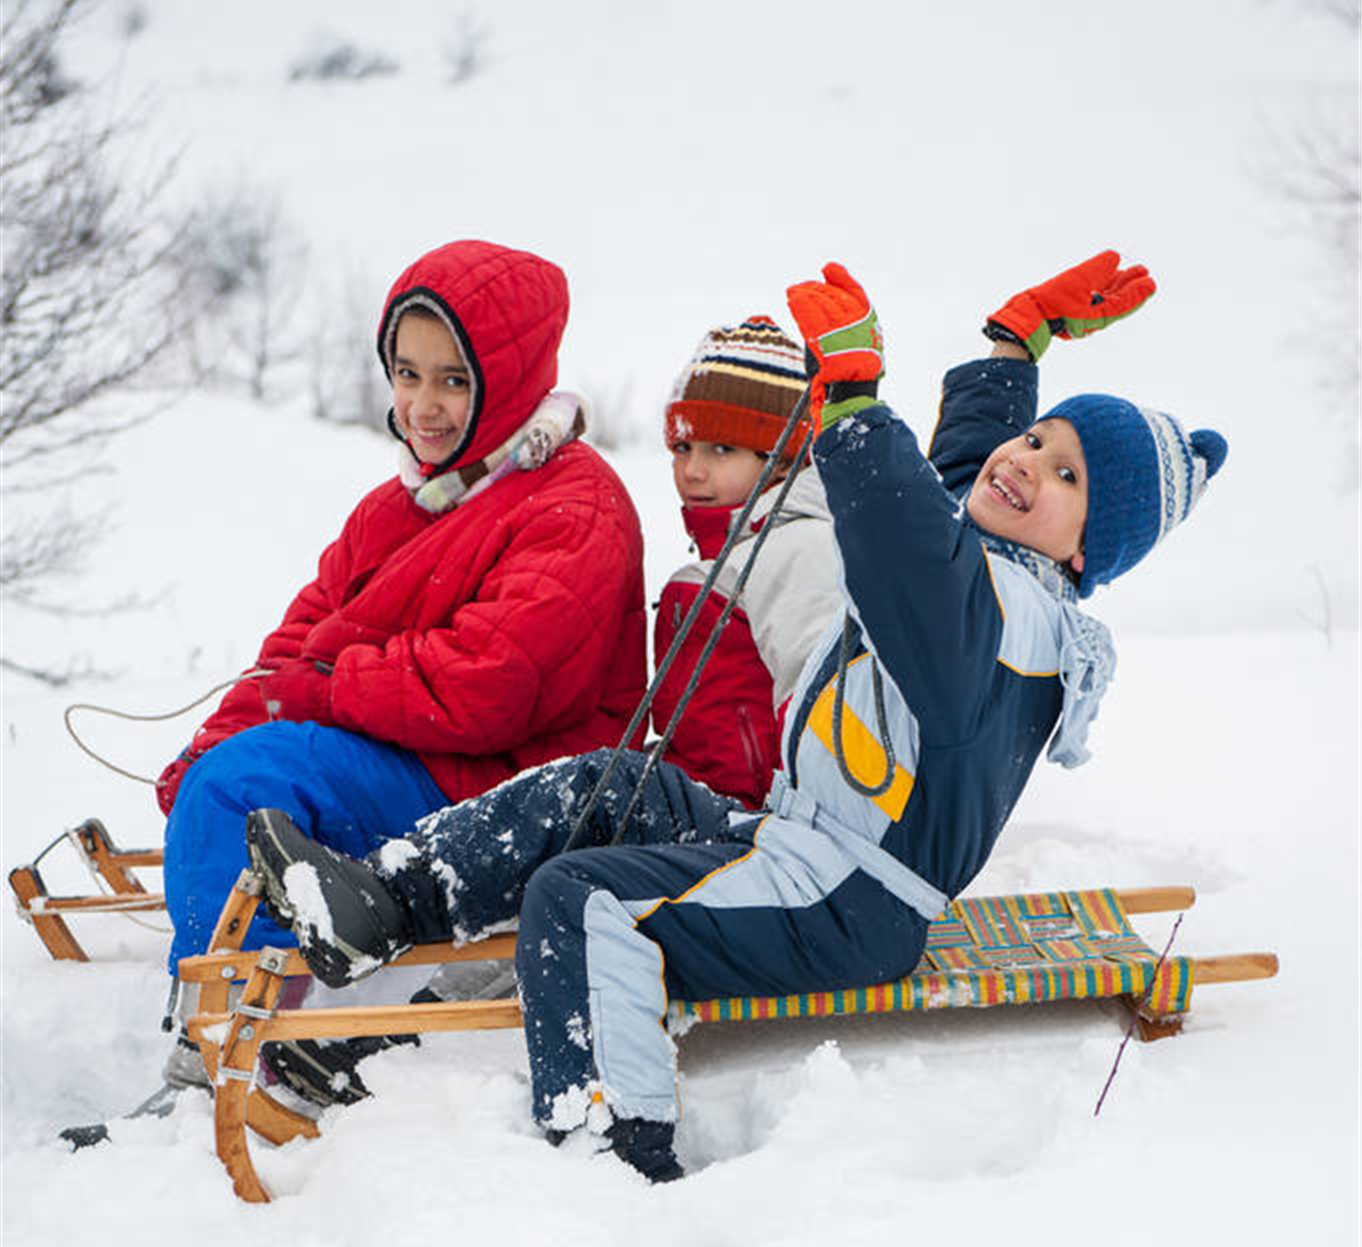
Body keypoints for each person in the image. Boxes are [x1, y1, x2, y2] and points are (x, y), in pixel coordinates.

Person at [242, 251, 1227, 1184]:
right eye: (1038, 438)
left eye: (1067, 478)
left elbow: (905, 540)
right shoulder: (996, 574)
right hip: (805, 849)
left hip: (846, 897)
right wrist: (1013, 344)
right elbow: (957, 487)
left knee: (583, 902)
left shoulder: (1011, 622)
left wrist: (850, 401)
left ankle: (610, 1142)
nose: (1026, 464)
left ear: (1089, 546)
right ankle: (379, 901)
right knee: (611, 787)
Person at [156, 237, 646, 976]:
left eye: (453, 380)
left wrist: (319, 693)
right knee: (223, 774)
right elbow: (298, 644)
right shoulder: (396, 509)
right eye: (407, 374)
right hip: (417, 758)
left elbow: (494, 682)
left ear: (510, 382)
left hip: (514, 787)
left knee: (240, 788)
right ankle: (249, 973)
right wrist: (216, 736)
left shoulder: (577, 506)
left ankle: (234, 1031)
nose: (422, 406)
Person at [652, 315, 841, 809]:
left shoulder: (797, 548)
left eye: (721, 449)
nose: (692, 471)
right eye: (682, 446)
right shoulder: (731, 559)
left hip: (758, 822)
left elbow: (818, 703)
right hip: (709, 801)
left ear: (781, 461)